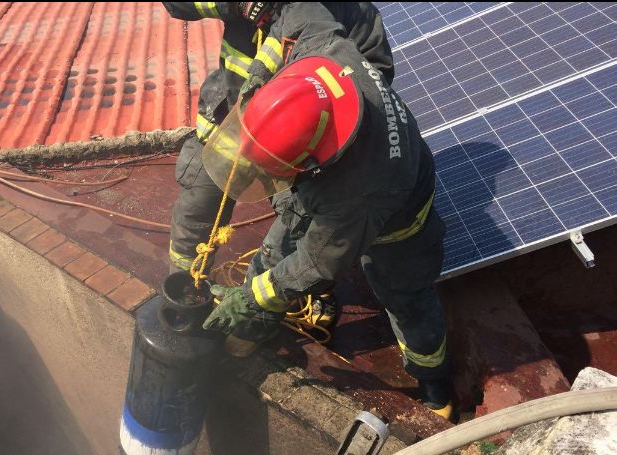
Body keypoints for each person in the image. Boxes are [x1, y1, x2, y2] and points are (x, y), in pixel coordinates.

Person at [199, 3, 454, 420]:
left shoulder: (359, 191)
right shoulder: (322, 47)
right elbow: (291, 21)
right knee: (273, 249)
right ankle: (251, 330)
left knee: (406, 300)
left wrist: (253, 296)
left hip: (399, 225)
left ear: (313, 162)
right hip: (338, 181)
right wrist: (258, 83)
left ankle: (434, 384)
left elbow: (318, 262)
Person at [163, 1, 395, 333]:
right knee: (196, 212)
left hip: (292, 156)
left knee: (293, 234)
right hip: (227, 129)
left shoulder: (357, 13)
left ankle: (268, 314)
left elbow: (375, 83)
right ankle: (185, 292)